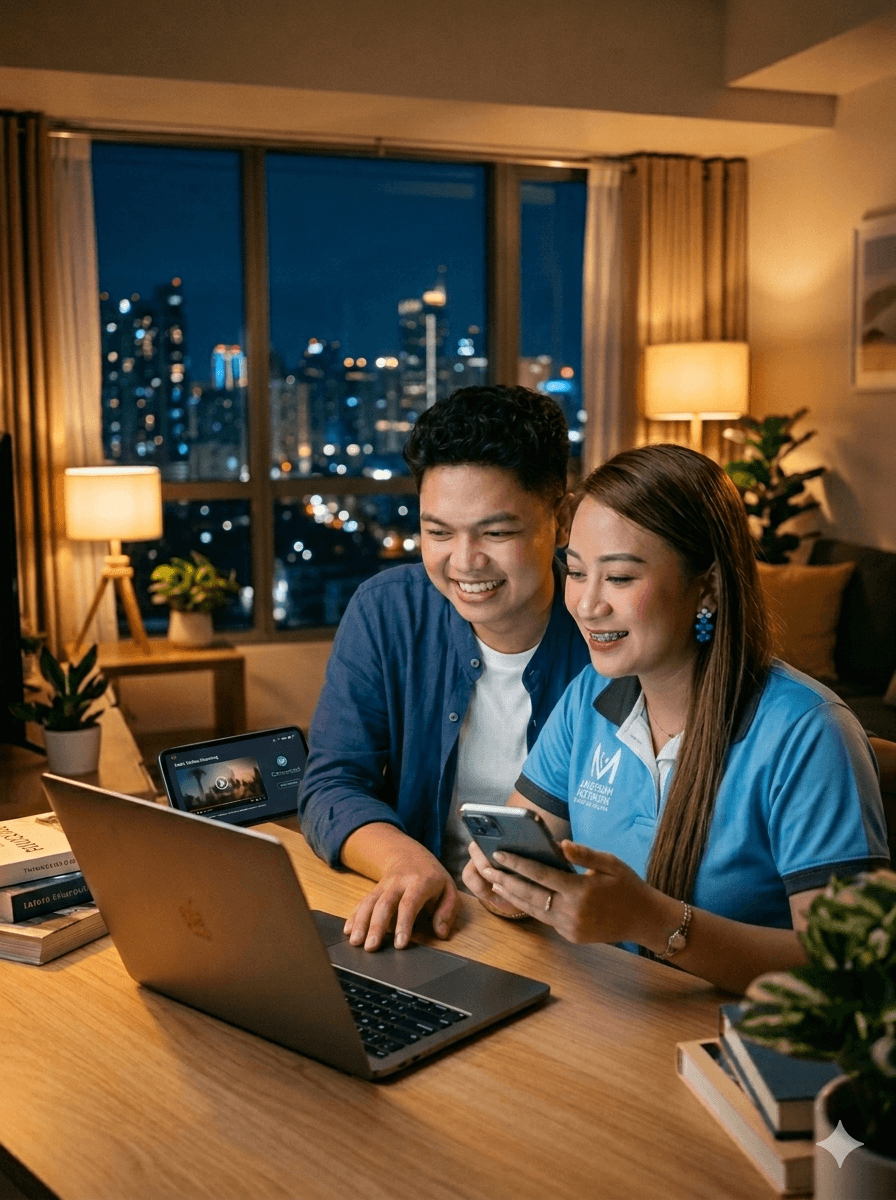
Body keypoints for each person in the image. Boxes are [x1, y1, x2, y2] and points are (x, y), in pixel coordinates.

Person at [463, 443, 890, 994]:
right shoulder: (589, 696)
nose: (587, 605)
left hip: (730, 1046)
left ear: (707, 585)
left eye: (618, 578)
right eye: (575, 572)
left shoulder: (809, 731)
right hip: (605, 1016)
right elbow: (525, 853)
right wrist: (509, 885)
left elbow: (848, 969)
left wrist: (653, 920)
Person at [299, 385, 591, 952]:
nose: (464, 562)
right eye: (438, 532)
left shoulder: (606, 632)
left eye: (496, 532)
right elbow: (332, 782)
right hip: (434, 926)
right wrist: (406, 862)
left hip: (573, 942)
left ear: (559, 520)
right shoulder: (387, 610)